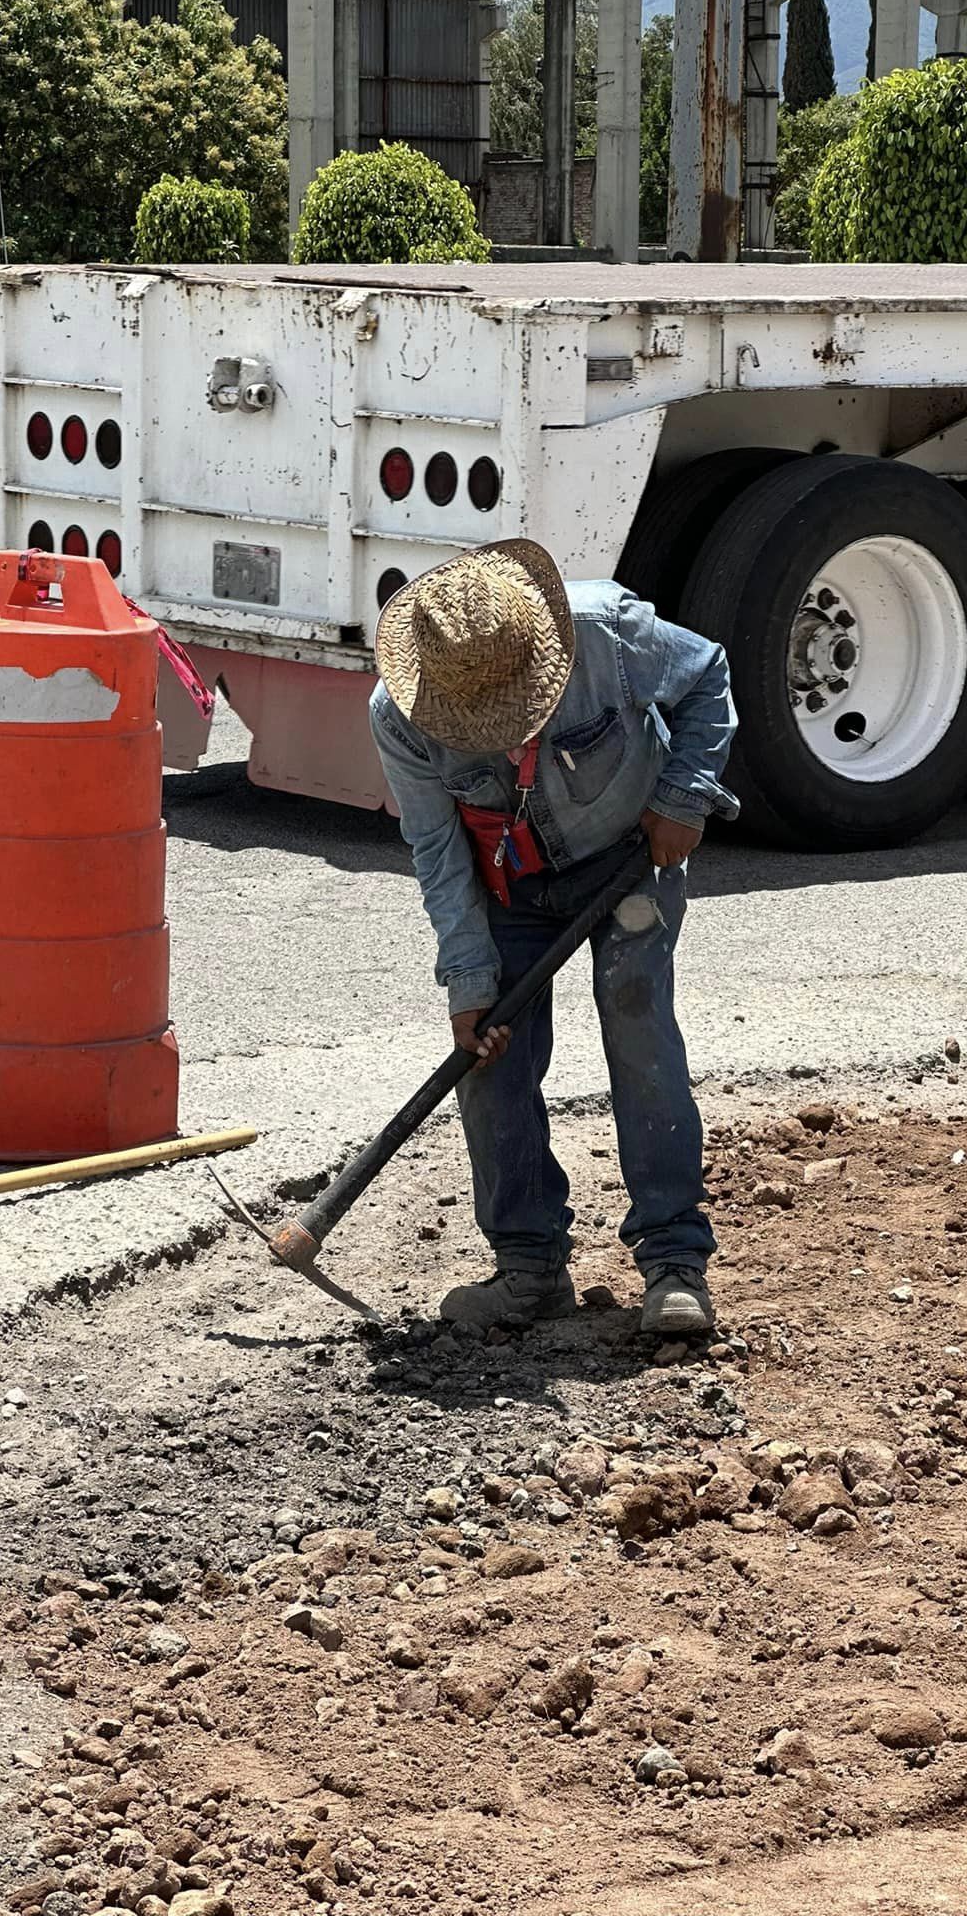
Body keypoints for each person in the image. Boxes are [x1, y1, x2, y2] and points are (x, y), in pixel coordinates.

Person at [369, 536, 738, 1337]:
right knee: (489, 1050)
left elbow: (708, 675)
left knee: (637, 1021)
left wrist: (683, 795)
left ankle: (674, 1263)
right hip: (510, 882)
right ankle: (529, 1267)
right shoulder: (401, 717)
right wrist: (468, 983)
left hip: (630, 857)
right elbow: (437, 852)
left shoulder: (604, 633)